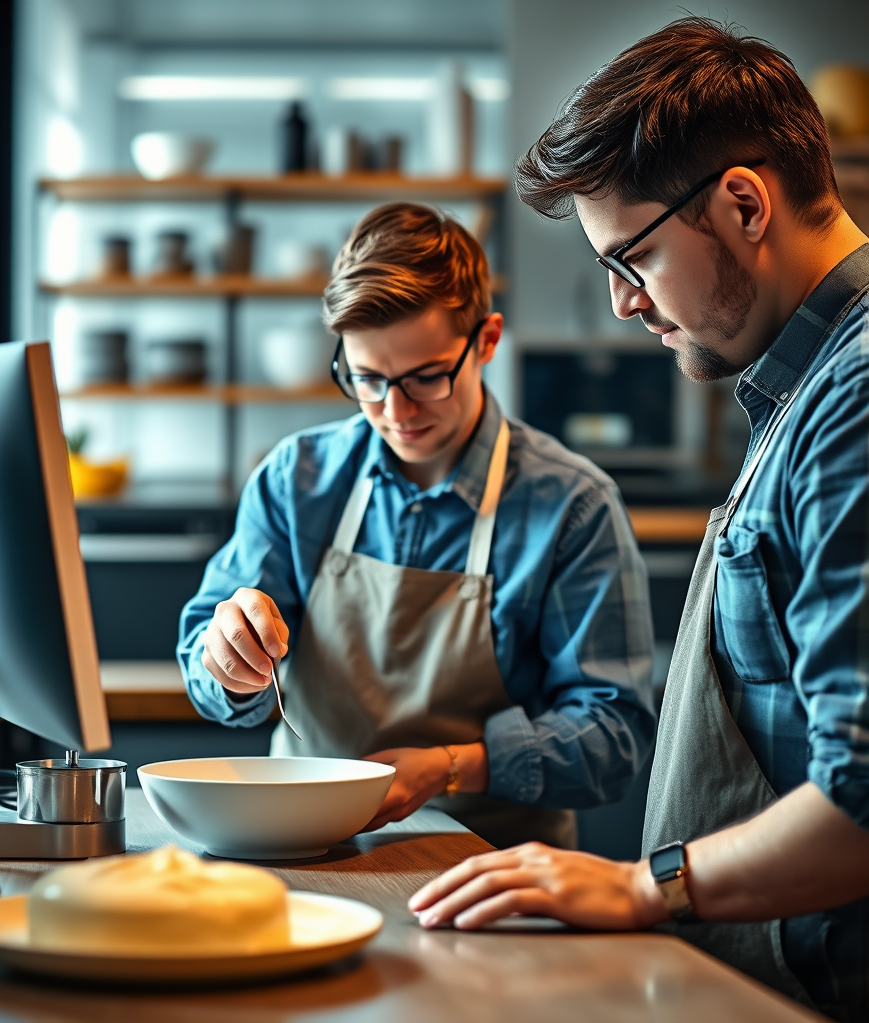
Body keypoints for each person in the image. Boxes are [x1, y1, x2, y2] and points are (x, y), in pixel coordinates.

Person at [408, 19, 869, 1023]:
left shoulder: (857, 404)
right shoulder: (800, 394)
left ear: (744, 204)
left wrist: (638, 882)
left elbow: (864, 796)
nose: (621, 304)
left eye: (633, 260)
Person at [178, 202, 656, 849]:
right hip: (304, 851)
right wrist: (226, 661)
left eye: (426, 378)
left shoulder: (573, 504)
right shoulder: (298, 478)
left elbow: (614, 738)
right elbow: (208, 674)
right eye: (367, 379)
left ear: (487, 340)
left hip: (492, 872)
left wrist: (453, 767)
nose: (395, 411)